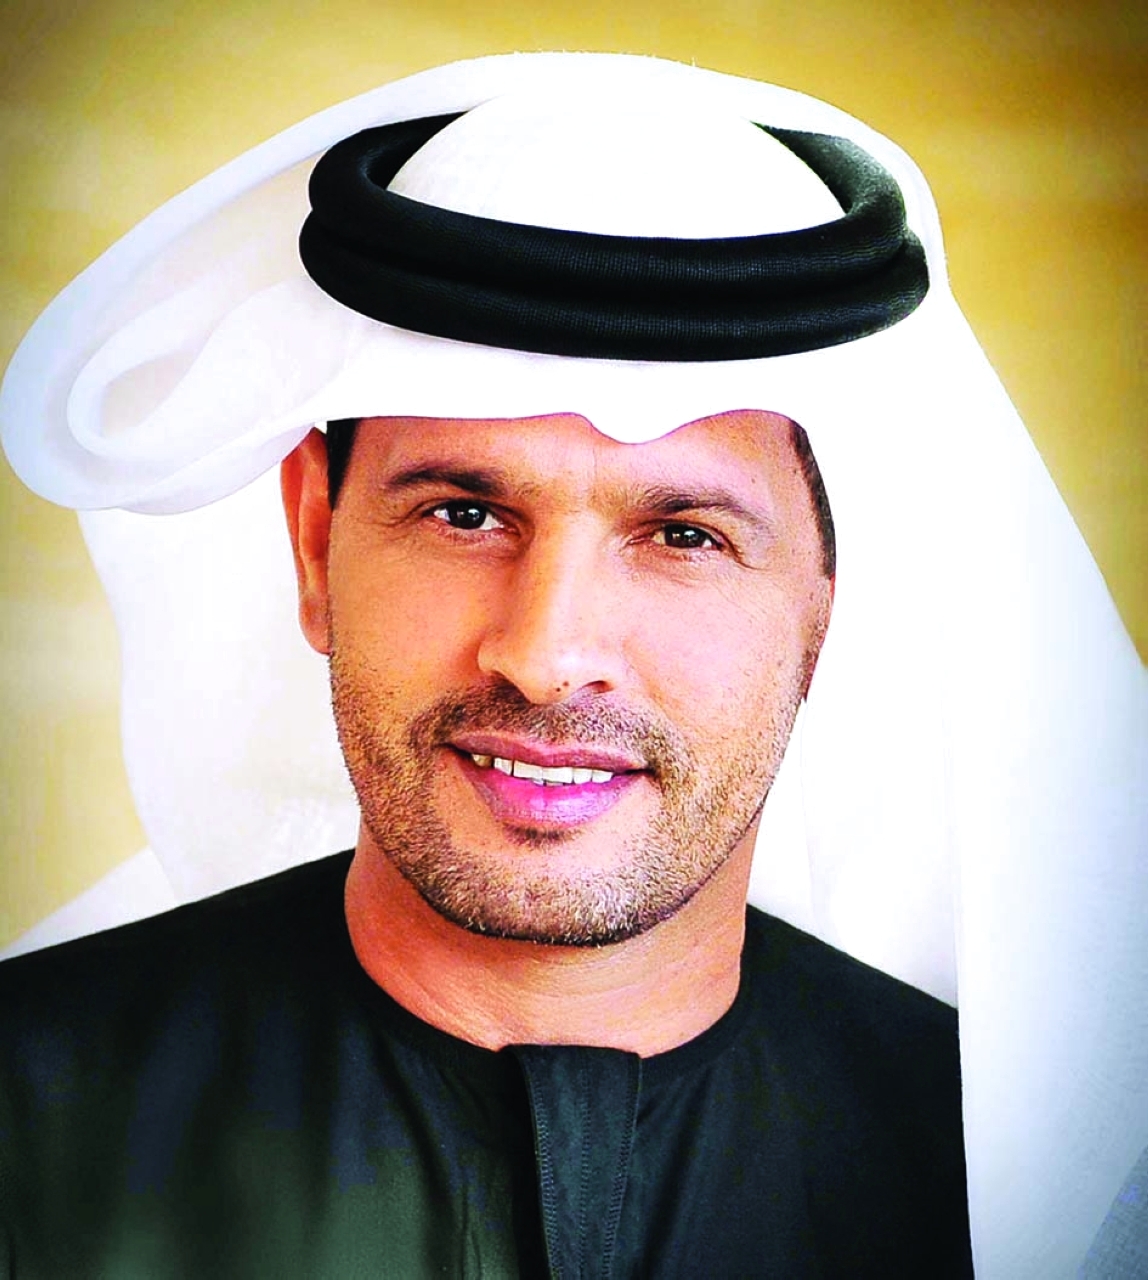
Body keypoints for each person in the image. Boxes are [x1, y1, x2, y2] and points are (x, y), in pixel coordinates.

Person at [0, 53, 1143, 1276]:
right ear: (315, 543)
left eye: (683, 536)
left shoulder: (1016, 1198)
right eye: (463, 514)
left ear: (826, 598)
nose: (546, 656)